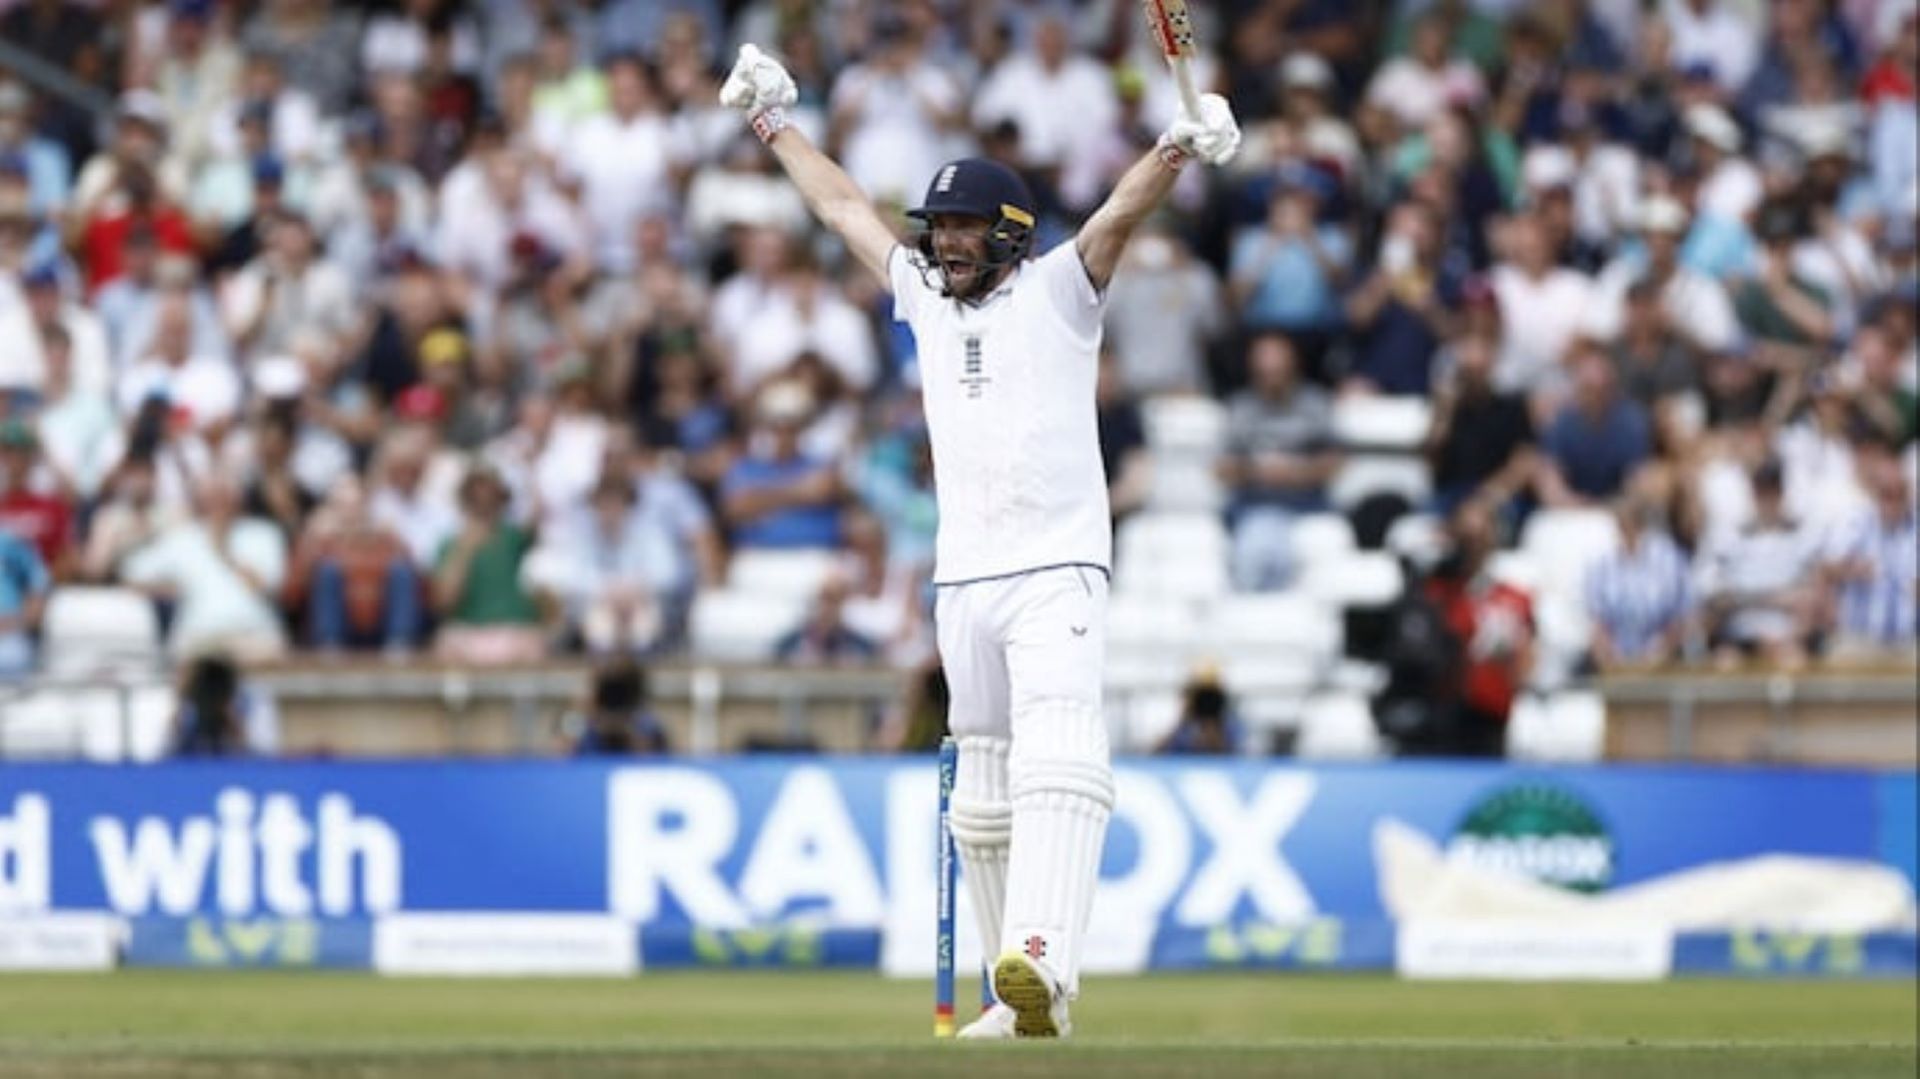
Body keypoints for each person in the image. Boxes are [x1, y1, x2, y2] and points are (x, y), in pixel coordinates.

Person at [718, 42, 1239, 1038]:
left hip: (1059, 569)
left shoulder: (1059, 292)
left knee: (1058, 754)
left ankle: (1047, 956)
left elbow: (1117, 215)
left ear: (1007, 234)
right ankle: (1018, 1002)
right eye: (939, 227)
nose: (944, 243)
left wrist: (1176, 143)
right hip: (965, 577)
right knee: (982, 787)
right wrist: (772, 121)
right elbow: (840, 210)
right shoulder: (919, 293)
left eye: (962, 228)